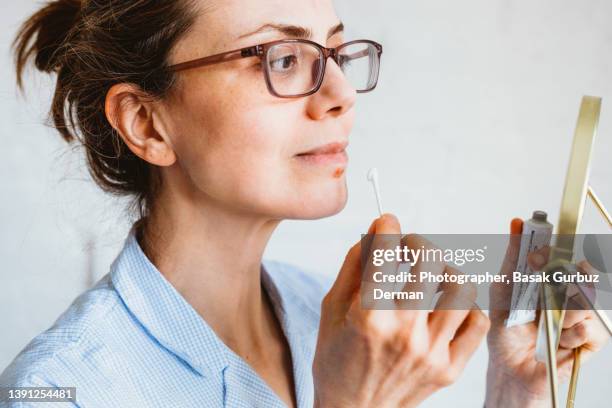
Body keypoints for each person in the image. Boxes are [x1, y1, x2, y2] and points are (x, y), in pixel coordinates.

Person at [1, 0, 608, 407]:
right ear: (147, 124)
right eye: (283, 59)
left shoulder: (332, 317)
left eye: (336, 56)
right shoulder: (64, 389)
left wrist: (514, 391)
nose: (342, 94)